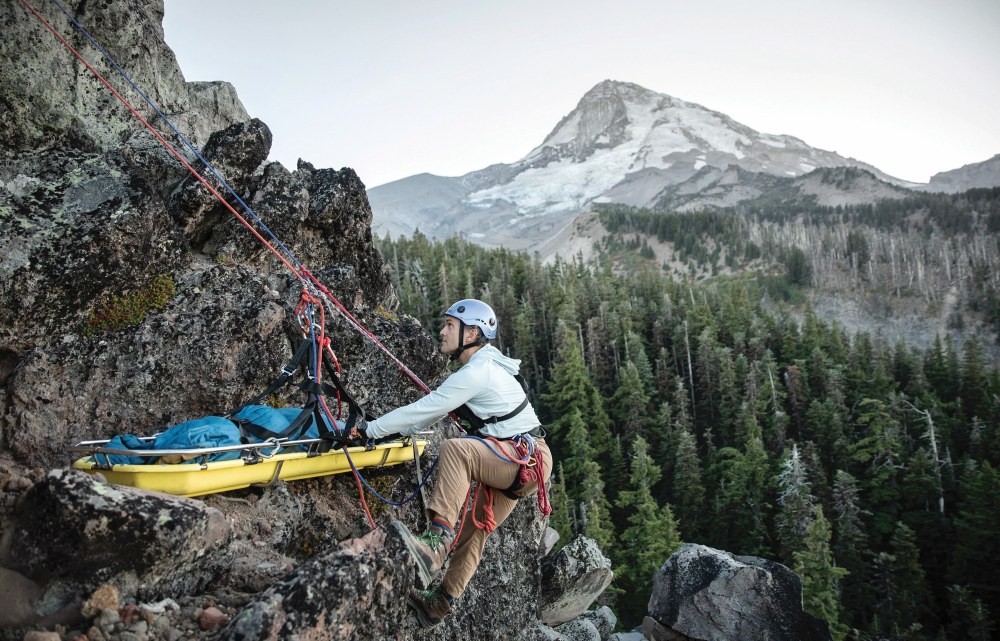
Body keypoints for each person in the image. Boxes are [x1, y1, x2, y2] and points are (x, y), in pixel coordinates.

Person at [356, 298, 552, 628]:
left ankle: (437, 543)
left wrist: (368, 430)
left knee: (457, 450)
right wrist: (388, 430)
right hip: (530, 460)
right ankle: (441, 603)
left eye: (450, 325)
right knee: (477, 528)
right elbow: (425, 415)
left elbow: (424, 409)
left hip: (521, 456)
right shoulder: (484, 368)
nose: (442, 330)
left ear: (472, 332)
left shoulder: (478, 371)